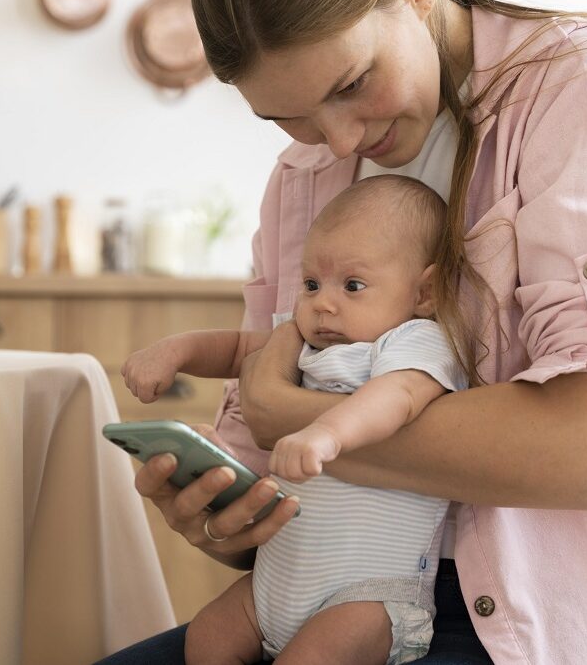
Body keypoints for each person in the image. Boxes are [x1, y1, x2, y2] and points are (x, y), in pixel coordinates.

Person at [99, 0, 587, 662]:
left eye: (349, 86)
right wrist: (222, 517)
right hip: (312, 593)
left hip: (527, 626)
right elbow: (266, 478)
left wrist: (290, 416)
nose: (338, 141)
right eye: (286, 117)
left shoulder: (578, 82)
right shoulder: (304, 174)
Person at [122, 175, 468, 664]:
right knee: (208, 637)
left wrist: (327, 433)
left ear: (424, 292)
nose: (323, 302)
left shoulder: (413, 341)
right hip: (273, 584)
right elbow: (240, 349)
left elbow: (399, 398)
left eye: (353, 285)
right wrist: (174, 350)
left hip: (364, 598)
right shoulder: (309, 340)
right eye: (311, 284)